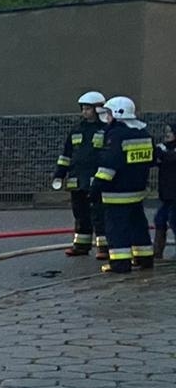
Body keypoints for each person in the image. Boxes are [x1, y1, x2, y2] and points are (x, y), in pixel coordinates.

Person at [93, 96, 155, 273]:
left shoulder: (116, 135)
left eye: (109, 113)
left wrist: (96, 186)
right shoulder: (143, 133)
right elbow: (150, 161)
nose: (107, 117)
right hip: (137, 191)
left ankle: (120, 264)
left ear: (117, 113)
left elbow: (110, 164)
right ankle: (144, 259)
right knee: (138, 226)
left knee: (116, 229)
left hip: (117, 193)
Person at [53, 91, 108, 257]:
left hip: (97, 179)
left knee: (99, 213)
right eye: (83, 108)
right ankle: (81, 246)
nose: (85, 112)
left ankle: (104, 247)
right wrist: (59, 174)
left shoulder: (106, 130)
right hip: (77, 179)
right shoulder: (76, 130)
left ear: (98, 109)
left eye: (88, 108)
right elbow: (66, 155)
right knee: (80, 213)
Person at [155, 122, 176, 259]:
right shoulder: (161, 148)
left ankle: (157, 252)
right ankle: (157, 253)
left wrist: (162, 155)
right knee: (160, 219)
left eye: (170, 131)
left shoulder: (163, 151)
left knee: (173, 220)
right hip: (167, 194)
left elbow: (169, 158)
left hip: (173, 194)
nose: (167, 134)